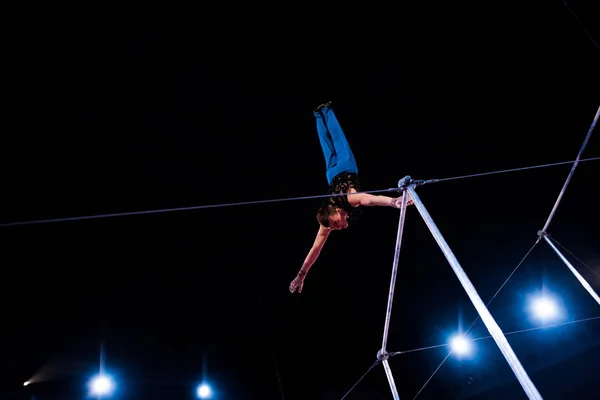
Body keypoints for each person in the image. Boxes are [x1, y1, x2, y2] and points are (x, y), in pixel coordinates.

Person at [289, 102, 413, 294]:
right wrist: (301, 275)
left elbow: (369, 199)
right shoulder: (326, 221)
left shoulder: (350, 199)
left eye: (336, 223)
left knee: (337, 140)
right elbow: (315, 249)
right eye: (335, 226)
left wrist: (394, 202)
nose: (337, 228)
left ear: (338, 211)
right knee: (326, 147)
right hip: (331, 175)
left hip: (346, 167)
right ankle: (318, 115)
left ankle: (326, 111)